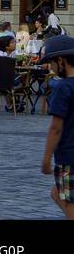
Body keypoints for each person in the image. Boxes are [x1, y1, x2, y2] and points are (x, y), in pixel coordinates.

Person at [38, 34, 74, 218]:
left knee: (68, 202)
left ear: (61, 61)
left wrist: (46, 159)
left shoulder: (63, 87)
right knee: (56, 193)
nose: (49, 67)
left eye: (51, 63)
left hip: (69, 156)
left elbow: (56, 128)